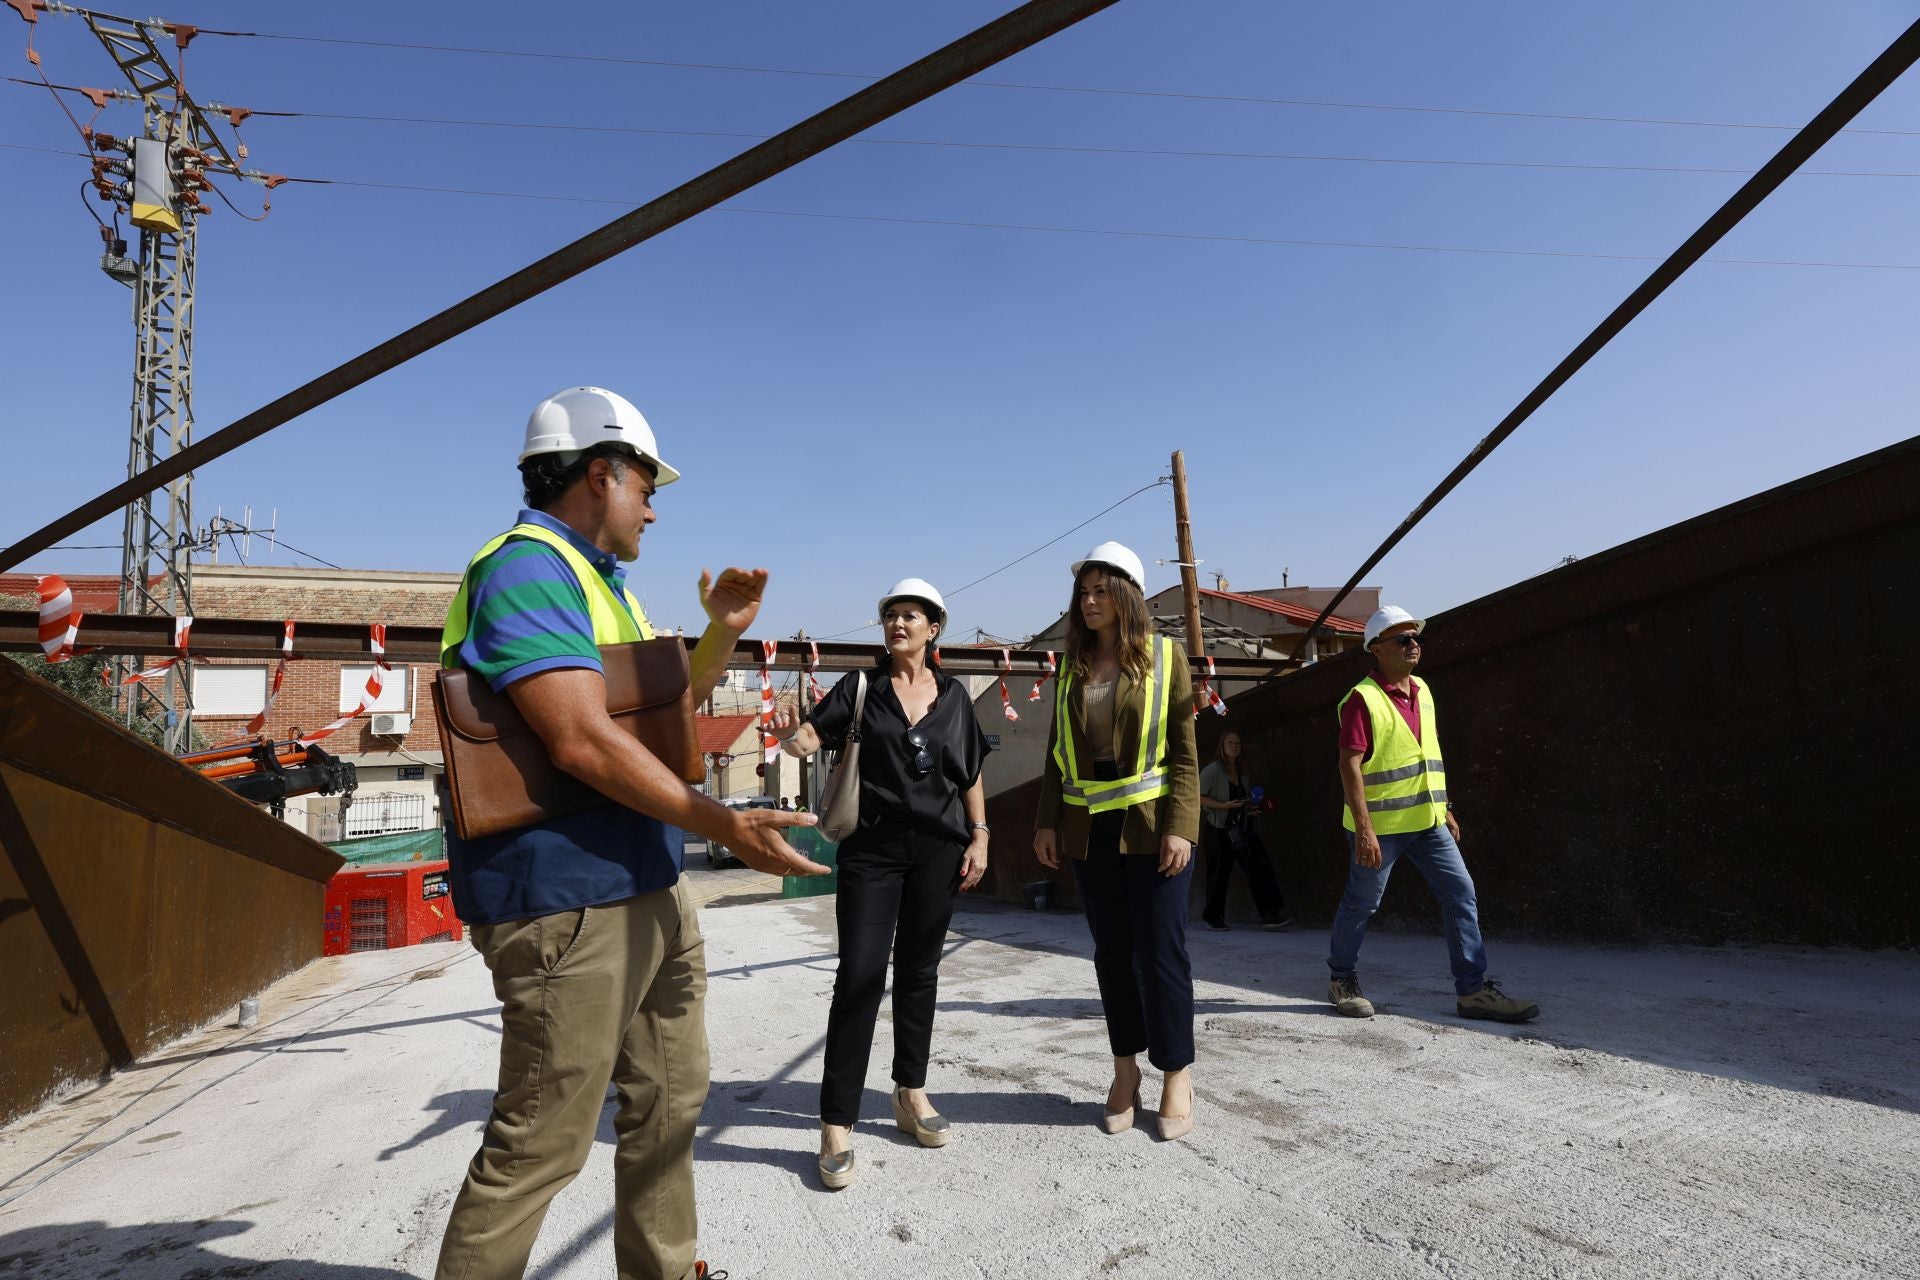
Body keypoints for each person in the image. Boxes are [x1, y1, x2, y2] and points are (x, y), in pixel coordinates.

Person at [434, 386, 826, 1280]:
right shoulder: (526, 568)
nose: (654, 505)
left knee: (671, 1102)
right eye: (646, 485)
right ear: (599, 473)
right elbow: (577, 738)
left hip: (642, 883)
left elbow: (659, 719)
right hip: (565, 903)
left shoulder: (602, 584)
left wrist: (721, 637)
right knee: (542, 1143)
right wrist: (725, 823)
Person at [769, 577, 992, 1189]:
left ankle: (909, 1094)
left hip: (938, 851)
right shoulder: (861, 687)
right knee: (861, 975)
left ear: (934, 628)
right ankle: (836, 1123)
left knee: (920, 973)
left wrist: (981, 834)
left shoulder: (953, 697)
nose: (899, 624)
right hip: (872, 849)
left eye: (911, 615)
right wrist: (789, 734)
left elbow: (969, 770)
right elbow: (809, 739)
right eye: (891, 615)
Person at [1033, 542, 1202, 1141]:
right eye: (1084, 592)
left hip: (1155, 827)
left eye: (1102, 591)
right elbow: (1057, 754)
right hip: (1090, 830)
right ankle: (1125, 1070)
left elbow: (1184, 751)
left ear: (1127, 595)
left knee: (1162, 952)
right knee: (1111, 953)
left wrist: (1182, 826)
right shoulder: (1069, 666)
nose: (1090, 601)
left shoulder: (1165, 656)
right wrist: (1047, 822)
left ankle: (1175, 1073)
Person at [1327, 605, 1539, 1024]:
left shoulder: (1422, 690)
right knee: (1362, 903)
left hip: (1427, 822)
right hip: (1381, 829)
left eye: (1416, 638)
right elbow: (1349, 765)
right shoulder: (1362, 699)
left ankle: (1473, 991)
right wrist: (1365, 831)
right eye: (1402, 640)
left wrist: (1446, 808)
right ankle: (1341, 979)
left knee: (1461, 894)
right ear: (1376, 649)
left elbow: (1429, 755)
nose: (1413, 646)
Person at [1198, 730, 1290, 931]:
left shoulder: (1242, 773)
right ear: (1221, 746)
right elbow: (1198, 796)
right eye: (1230, 742)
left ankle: (1270, 913)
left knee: (1259, 865)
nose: (1234, 746)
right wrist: (1223, 806)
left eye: (1237, 743)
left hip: (1241, 829)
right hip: (1218, 829)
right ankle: (1214, 917)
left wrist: (1252, 808)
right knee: (1219, 872)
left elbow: (1243, 800)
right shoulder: (1212, 771)